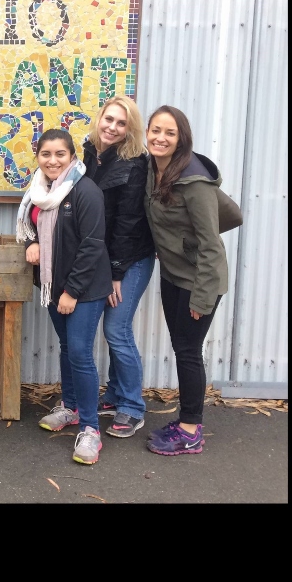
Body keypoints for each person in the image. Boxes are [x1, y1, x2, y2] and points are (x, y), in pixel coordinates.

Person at [16, 128, 113, 465]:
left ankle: (90, 429)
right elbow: (32, 226)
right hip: (53, 285)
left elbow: (92, 246)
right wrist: (32, 243)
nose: (53, 160)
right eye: (46, 154)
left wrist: (72, 291)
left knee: (81, 354)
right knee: (69, 348)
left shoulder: (85, 191)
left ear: (72, 156)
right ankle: (70, 408)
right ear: (38, 157)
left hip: (83, 289)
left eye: (60, 154)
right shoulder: (38, 190)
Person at [143, 105, 228, 456]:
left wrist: (203, 298)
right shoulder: (153, 169)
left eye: (170, 132)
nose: (160, 138)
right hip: (173, 275)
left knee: (190, 352)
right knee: (182, 348)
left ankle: (191, 430)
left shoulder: (194, 181)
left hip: (199, 281)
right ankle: (185, 421)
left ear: (181, 139)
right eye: (155, 130)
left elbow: (212, 244)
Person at [82, 96, 154, 438]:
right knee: (112, 330)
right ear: (100, 119)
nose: (112, 127)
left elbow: (128, 222)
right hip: (104, 256)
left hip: (130, 259)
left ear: (130, 130)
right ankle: (112, 396)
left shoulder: (136, 162)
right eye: (108, 119)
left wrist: (116, 273)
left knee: (117, 330)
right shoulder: (90, 154)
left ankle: (132, 406)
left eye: (121, 123)